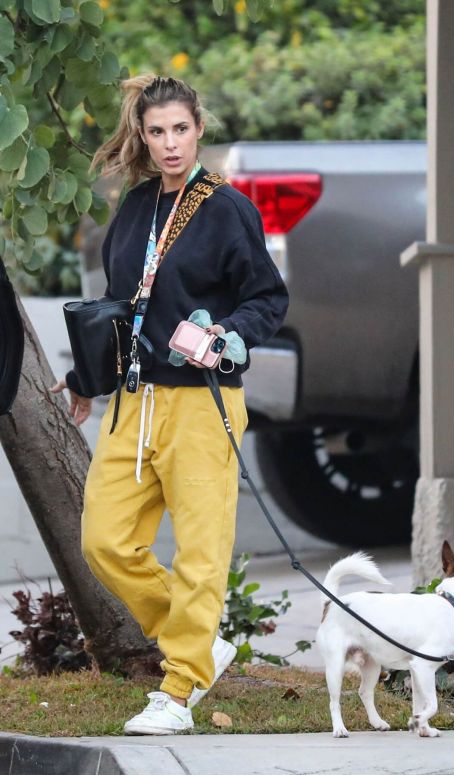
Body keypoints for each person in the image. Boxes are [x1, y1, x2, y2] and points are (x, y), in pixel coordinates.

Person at [51, 74, 289, 735]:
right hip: (136, 399)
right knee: (105, 539)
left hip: (200, 404)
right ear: (144, 137)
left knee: (201, 553)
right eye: (156, 132)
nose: (169, 143)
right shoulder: (135, 208)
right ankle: (196, 643)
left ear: (199, 128)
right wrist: (83, 378)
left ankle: (179, 689)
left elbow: (268, 297)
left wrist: (228, 336)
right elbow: (123, 309)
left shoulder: (227, 208)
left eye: (180, 129)